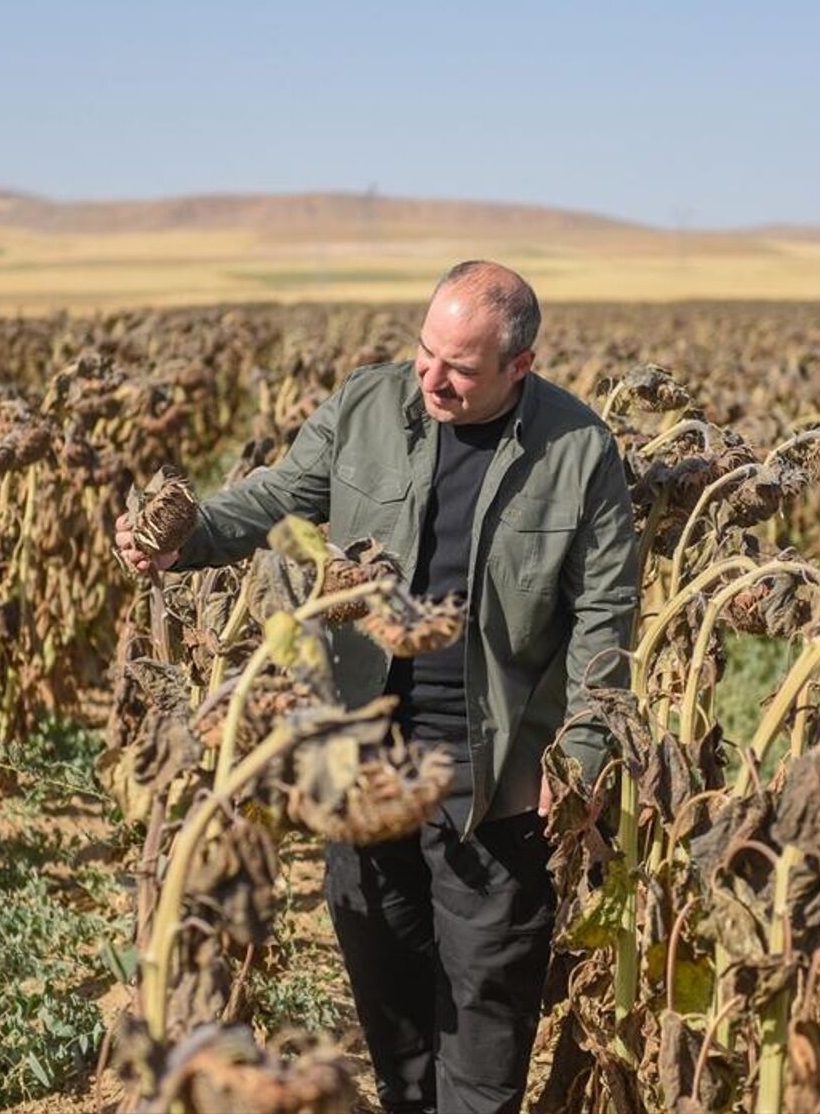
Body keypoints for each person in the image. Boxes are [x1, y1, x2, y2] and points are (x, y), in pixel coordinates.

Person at [115, 260, 641, 1114]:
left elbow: (605, 612)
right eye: (425, 351)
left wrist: (582, 746)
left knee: (485, 1009)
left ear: (521, 366)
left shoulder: (578, 450)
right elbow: (281, 495)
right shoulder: (368, 407)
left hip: (496, 774)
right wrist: (190, 536)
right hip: (362, 761)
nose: (432, 377)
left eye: (460, 368)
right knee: (390, 1009)